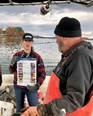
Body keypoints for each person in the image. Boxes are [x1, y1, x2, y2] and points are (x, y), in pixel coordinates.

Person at [21, 17, 93, 116]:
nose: (56, 41)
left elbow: (75, 98)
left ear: (64, 37)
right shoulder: (75, 53)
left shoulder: (80, 58)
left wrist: (41, 110)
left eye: (56, 37)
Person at [9, 33, 46, 115]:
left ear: (32, 43)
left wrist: (37, 85)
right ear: (22, 42)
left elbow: (43, 73)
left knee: (34, 109)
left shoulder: (37, 57)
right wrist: (12, 64)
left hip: (32, 87)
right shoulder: (17, 55)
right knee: (19, 109)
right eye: (26, 41)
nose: (27, 43)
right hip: (18, 87)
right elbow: (11, 71)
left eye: (30, 41)